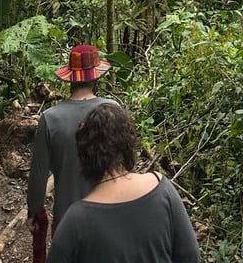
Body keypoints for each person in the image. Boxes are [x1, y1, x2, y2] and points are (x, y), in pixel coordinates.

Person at [46, 102, 200, 263]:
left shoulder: (76, 220)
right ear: (127, 145)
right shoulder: (162, 188)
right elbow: (190, 254)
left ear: (85, 156)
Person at [26, 44, 116, 237]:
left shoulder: (50, 118)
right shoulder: (113, 110)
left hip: (67, 219)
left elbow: (38, 175)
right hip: (110, 214)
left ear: (69, 78)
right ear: (96, 76)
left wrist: (34, 211)